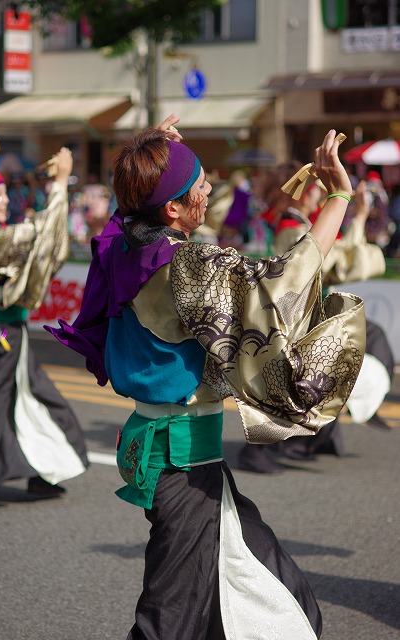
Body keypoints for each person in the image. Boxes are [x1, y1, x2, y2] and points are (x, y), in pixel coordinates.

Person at [46, 115, 363, 639]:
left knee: (275, 595)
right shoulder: (186, 265)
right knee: (169, 622)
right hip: (182, 466)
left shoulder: (126, 249)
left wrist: (155, 152)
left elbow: (123, 217)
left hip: (182, 460)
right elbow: (279, 283)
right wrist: (338, 199)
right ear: (171, 208)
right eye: (198, 185)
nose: (210, 187)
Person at [0, 133, 88, 497]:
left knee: (33, 398)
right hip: (0, 336)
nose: (7, 199)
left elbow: (37, 235)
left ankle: (46, 470)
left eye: (6, 192)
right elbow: (42, 235)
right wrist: (57, 185)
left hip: (7, 333)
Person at [266, 178, 392, 461]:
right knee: (335, 365)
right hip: (300, 319)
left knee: (354, 352)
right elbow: (338, 262)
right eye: (317, 192)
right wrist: (357, 216)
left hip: (310, 313)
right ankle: (364, 404)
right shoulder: (292, 229)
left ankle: (357, 410)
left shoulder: (299, 225)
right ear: (303, 196)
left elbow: (339, 256)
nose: (319, 198)